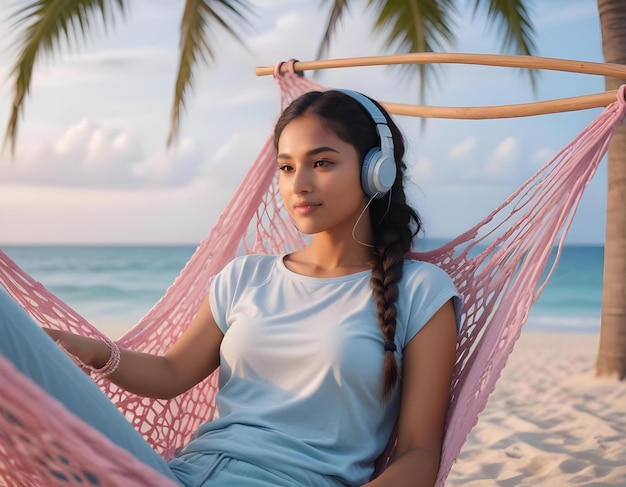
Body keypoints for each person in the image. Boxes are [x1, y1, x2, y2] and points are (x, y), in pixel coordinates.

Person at [0, 89, 461, 487]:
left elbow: (419, 453)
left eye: (321, 162)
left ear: (375, 171)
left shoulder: (421, 293)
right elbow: (171, 373)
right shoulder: (246, 276)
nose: (298, 184)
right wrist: (95, 352)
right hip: (167, 475)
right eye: (285, 167)